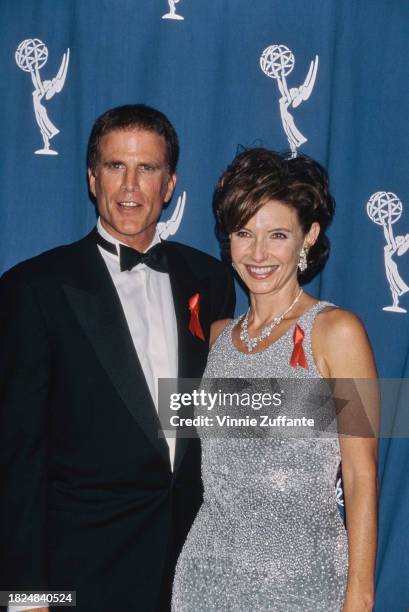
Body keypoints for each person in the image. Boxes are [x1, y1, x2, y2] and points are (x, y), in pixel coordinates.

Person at [0, 104, 235, 612]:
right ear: (91, 178)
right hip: (80, 576)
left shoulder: (209, 280)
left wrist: (354, 412)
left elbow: (219, 415)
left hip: (190, 574)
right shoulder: (35, 288)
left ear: (169, 185)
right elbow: (17, 458)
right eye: (115, 166)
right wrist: (26, 596)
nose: (130, 186)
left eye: (147, 168)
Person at [172, 149, 378, 611]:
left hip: (304, 584)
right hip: (204, 580)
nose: (258, 253)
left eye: (277, 235)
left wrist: (360, 596)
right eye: (244, 233)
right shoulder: (217, 338)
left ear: (309, 237)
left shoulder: (336, 332)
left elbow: (361, 473)